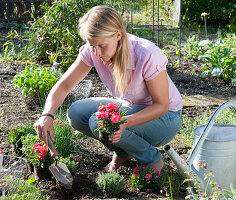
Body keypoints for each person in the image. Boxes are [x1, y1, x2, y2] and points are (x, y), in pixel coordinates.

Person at [34, 5, 182, 173]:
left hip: (165, 119)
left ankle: (152, 159)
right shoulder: (94, 50)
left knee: (100, 122)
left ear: (118, 35)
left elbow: (161, 106)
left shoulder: (147, 54)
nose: (96, 53)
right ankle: (122, 152)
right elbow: (64, 85)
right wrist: (47, 114)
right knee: (76, 113)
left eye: (102, 46)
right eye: (92, 46)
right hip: (131, 106)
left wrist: (123, 123)